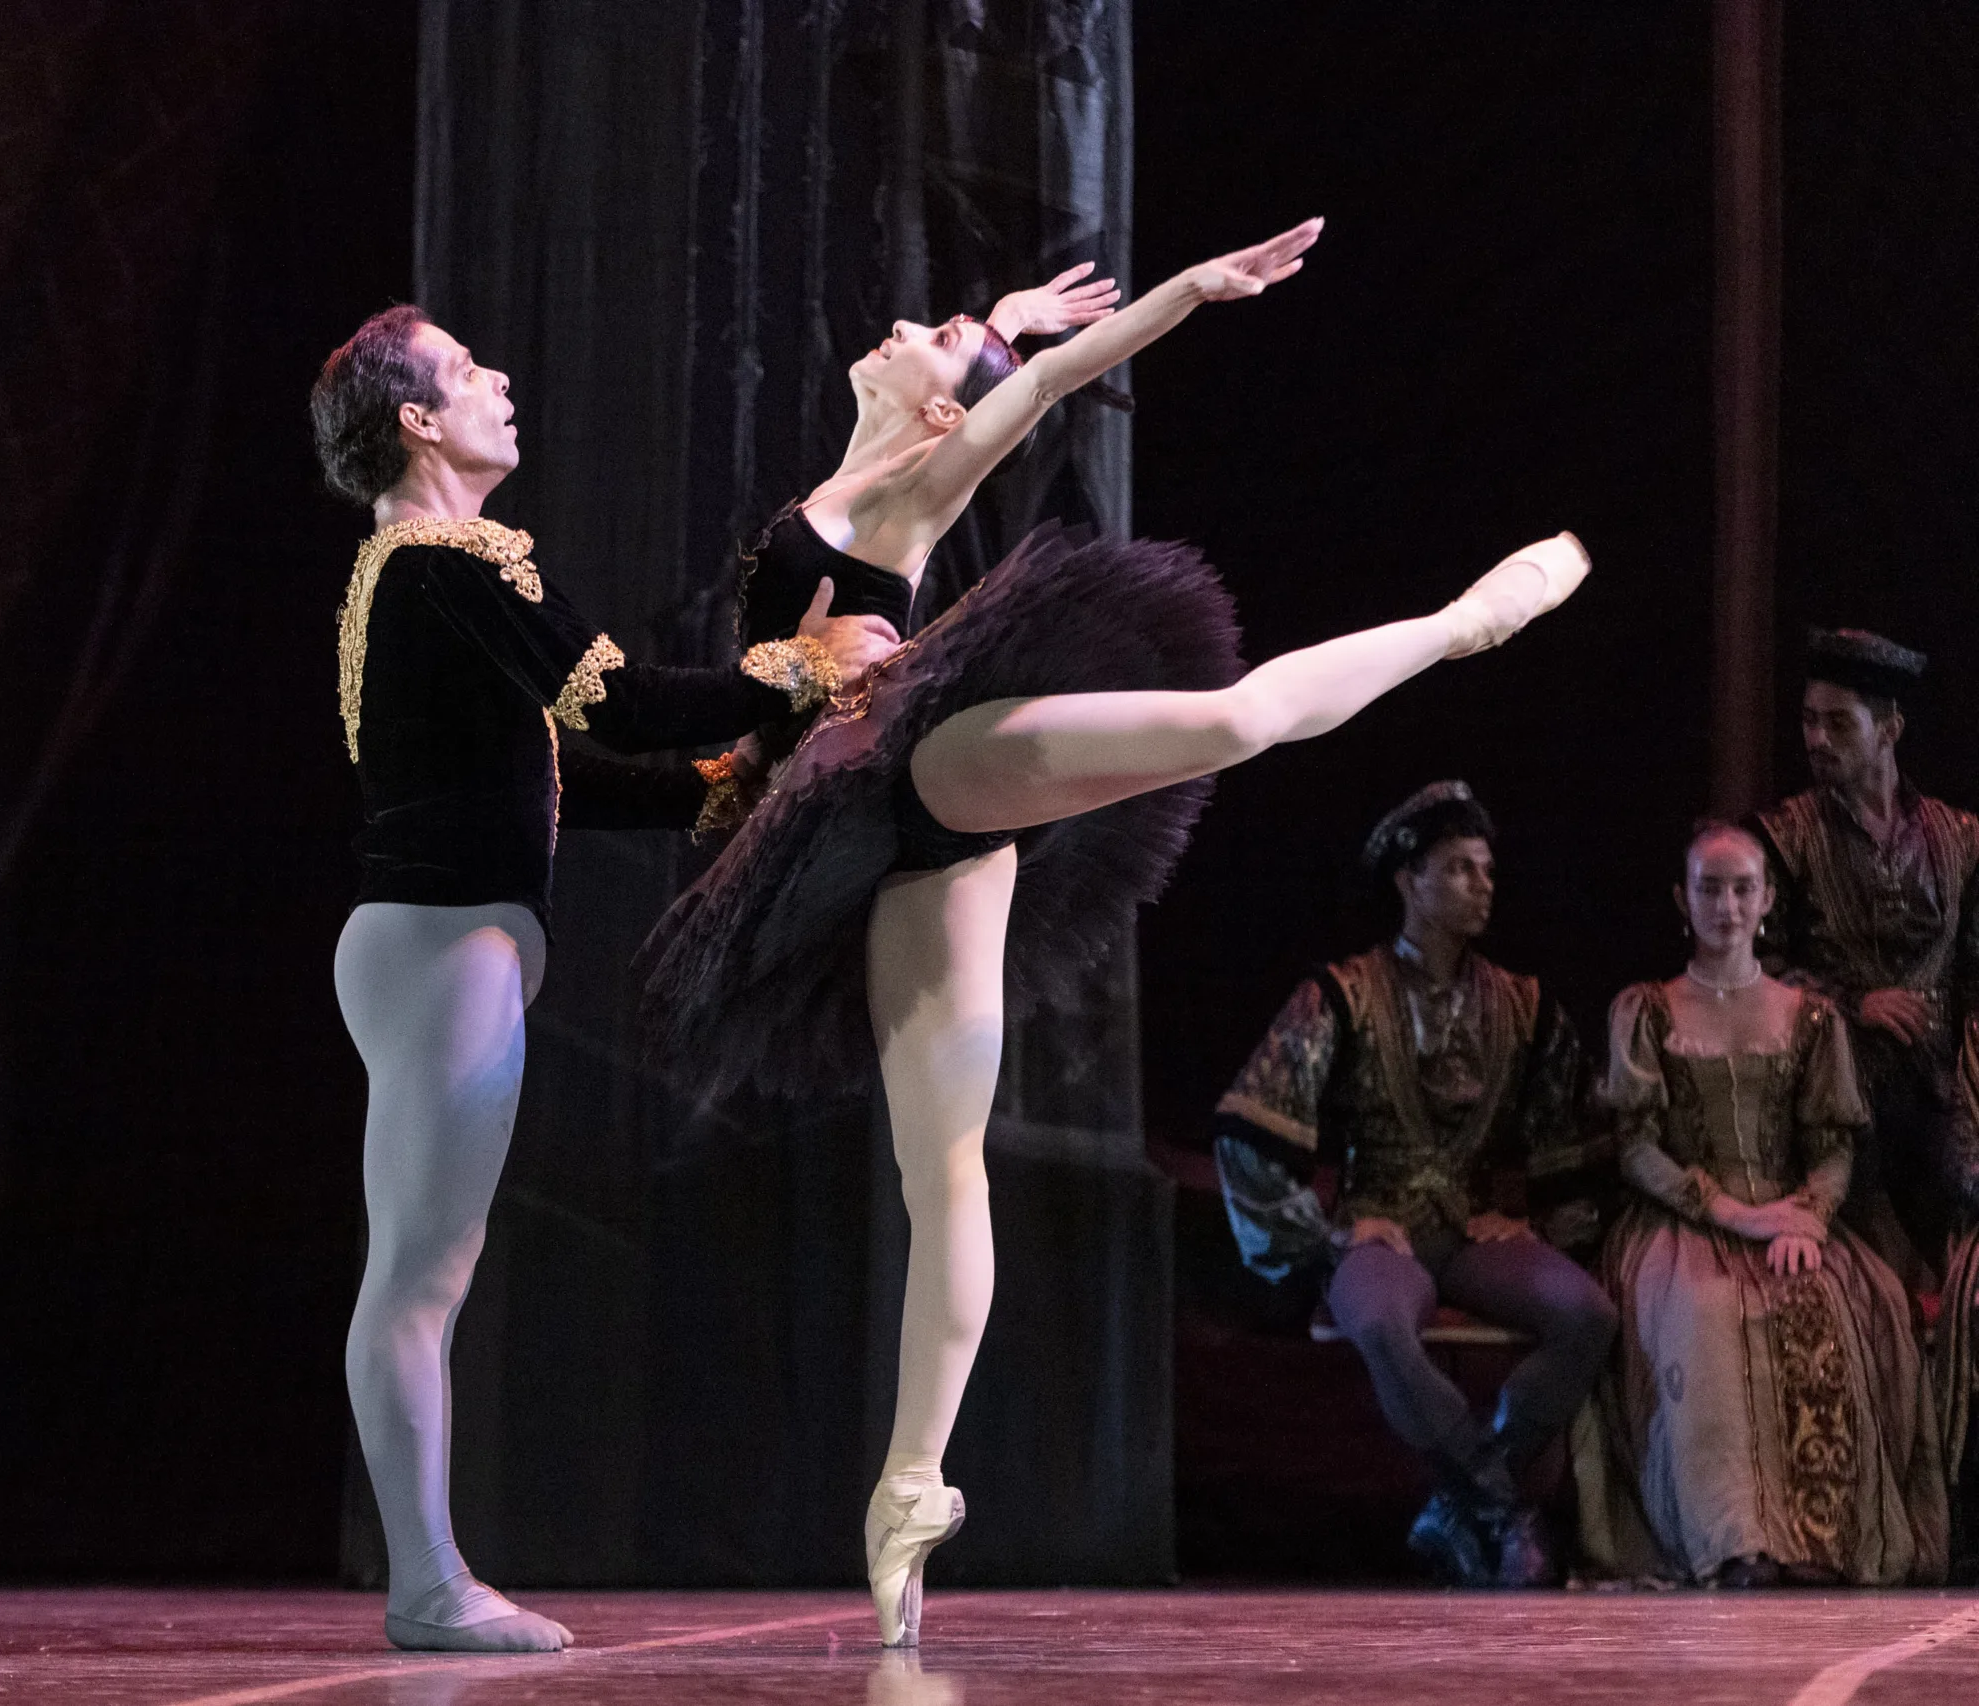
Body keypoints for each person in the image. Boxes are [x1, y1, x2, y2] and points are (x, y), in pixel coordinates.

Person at [643, 216, 1592, 1643]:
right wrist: (1001, 322)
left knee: (1229, 719)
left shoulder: (911, 470)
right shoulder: (863, 460)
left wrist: (1183, 296)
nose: (911, 327)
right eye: (927, 326)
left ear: (928, 404)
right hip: (861, 836)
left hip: (927, 755)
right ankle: (908, 1486)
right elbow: (1007, 356)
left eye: (927, 334)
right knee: (941, 1160)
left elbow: (1046, 381)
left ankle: (1460, 626)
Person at [309, 305, 901, 1651]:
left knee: (421, 1276)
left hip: (438, 938)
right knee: (417, 1279)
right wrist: (798, 670)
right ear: (415, 419)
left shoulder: (420, 576)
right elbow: (619, 700)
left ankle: (428, 1576)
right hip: (441, 939)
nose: (498, 378)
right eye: (467, 370)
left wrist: (725, 784)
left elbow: (563, 777)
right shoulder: (447, 561)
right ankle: (425, 1584)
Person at [1211, 782, 1611, 1587]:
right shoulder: (1343, 994)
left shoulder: (1523, 1005)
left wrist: (1521, 1212)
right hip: (1379, 1223)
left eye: (1487, 869)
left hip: (1469, 1228)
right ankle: (1498, 1504)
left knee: (1588, 1316)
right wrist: (1328, 1231)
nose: (1482, 884)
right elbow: (1247, 1125)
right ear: (1409, 882)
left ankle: (1460, 1500)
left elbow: (1571, 1132)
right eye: (1460, 869)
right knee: (1382, 1323)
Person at [1573, 822, 1947, 1586]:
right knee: (1709, 1317)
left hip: (1793, 1220)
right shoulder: (1646, 1010)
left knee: (1836, 1306)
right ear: (1684, 899)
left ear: (1768, 900)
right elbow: (1637, 1147)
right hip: (1681, 1224)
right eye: (1711, 888)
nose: (1728, 904)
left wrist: (1808, 1216)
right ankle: (1736, 1543)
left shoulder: (1810, 1018)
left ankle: (1823, 1541)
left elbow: (1834, 1142)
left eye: (1744, 888)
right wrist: (1733, 1215)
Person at [1748, 627, 1979, 1575]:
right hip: (1835, 1104)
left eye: (1836, 723)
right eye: (1807, 721)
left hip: (1941, 1103)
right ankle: (1893, 1527)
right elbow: (1745, 969)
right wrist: (1847, 999)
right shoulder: (1783, 838)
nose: (1815, 738)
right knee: (1884, 1292)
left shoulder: (1961, 840)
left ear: (1889, 729)